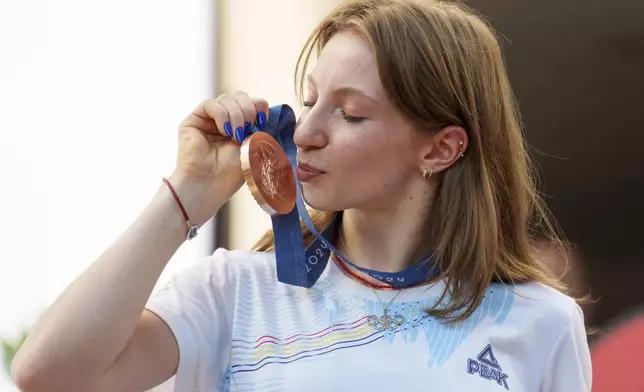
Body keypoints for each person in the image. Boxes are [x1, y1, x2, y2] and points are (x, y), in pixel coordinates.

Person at [11, 0, 592, 391]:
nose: (308, 132)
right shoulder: (235, 292)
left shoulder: (540, 323)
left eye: (351, 113)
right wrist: (187, 193)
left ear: (440, 150)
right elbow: (47, 375)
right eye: (309, 99)